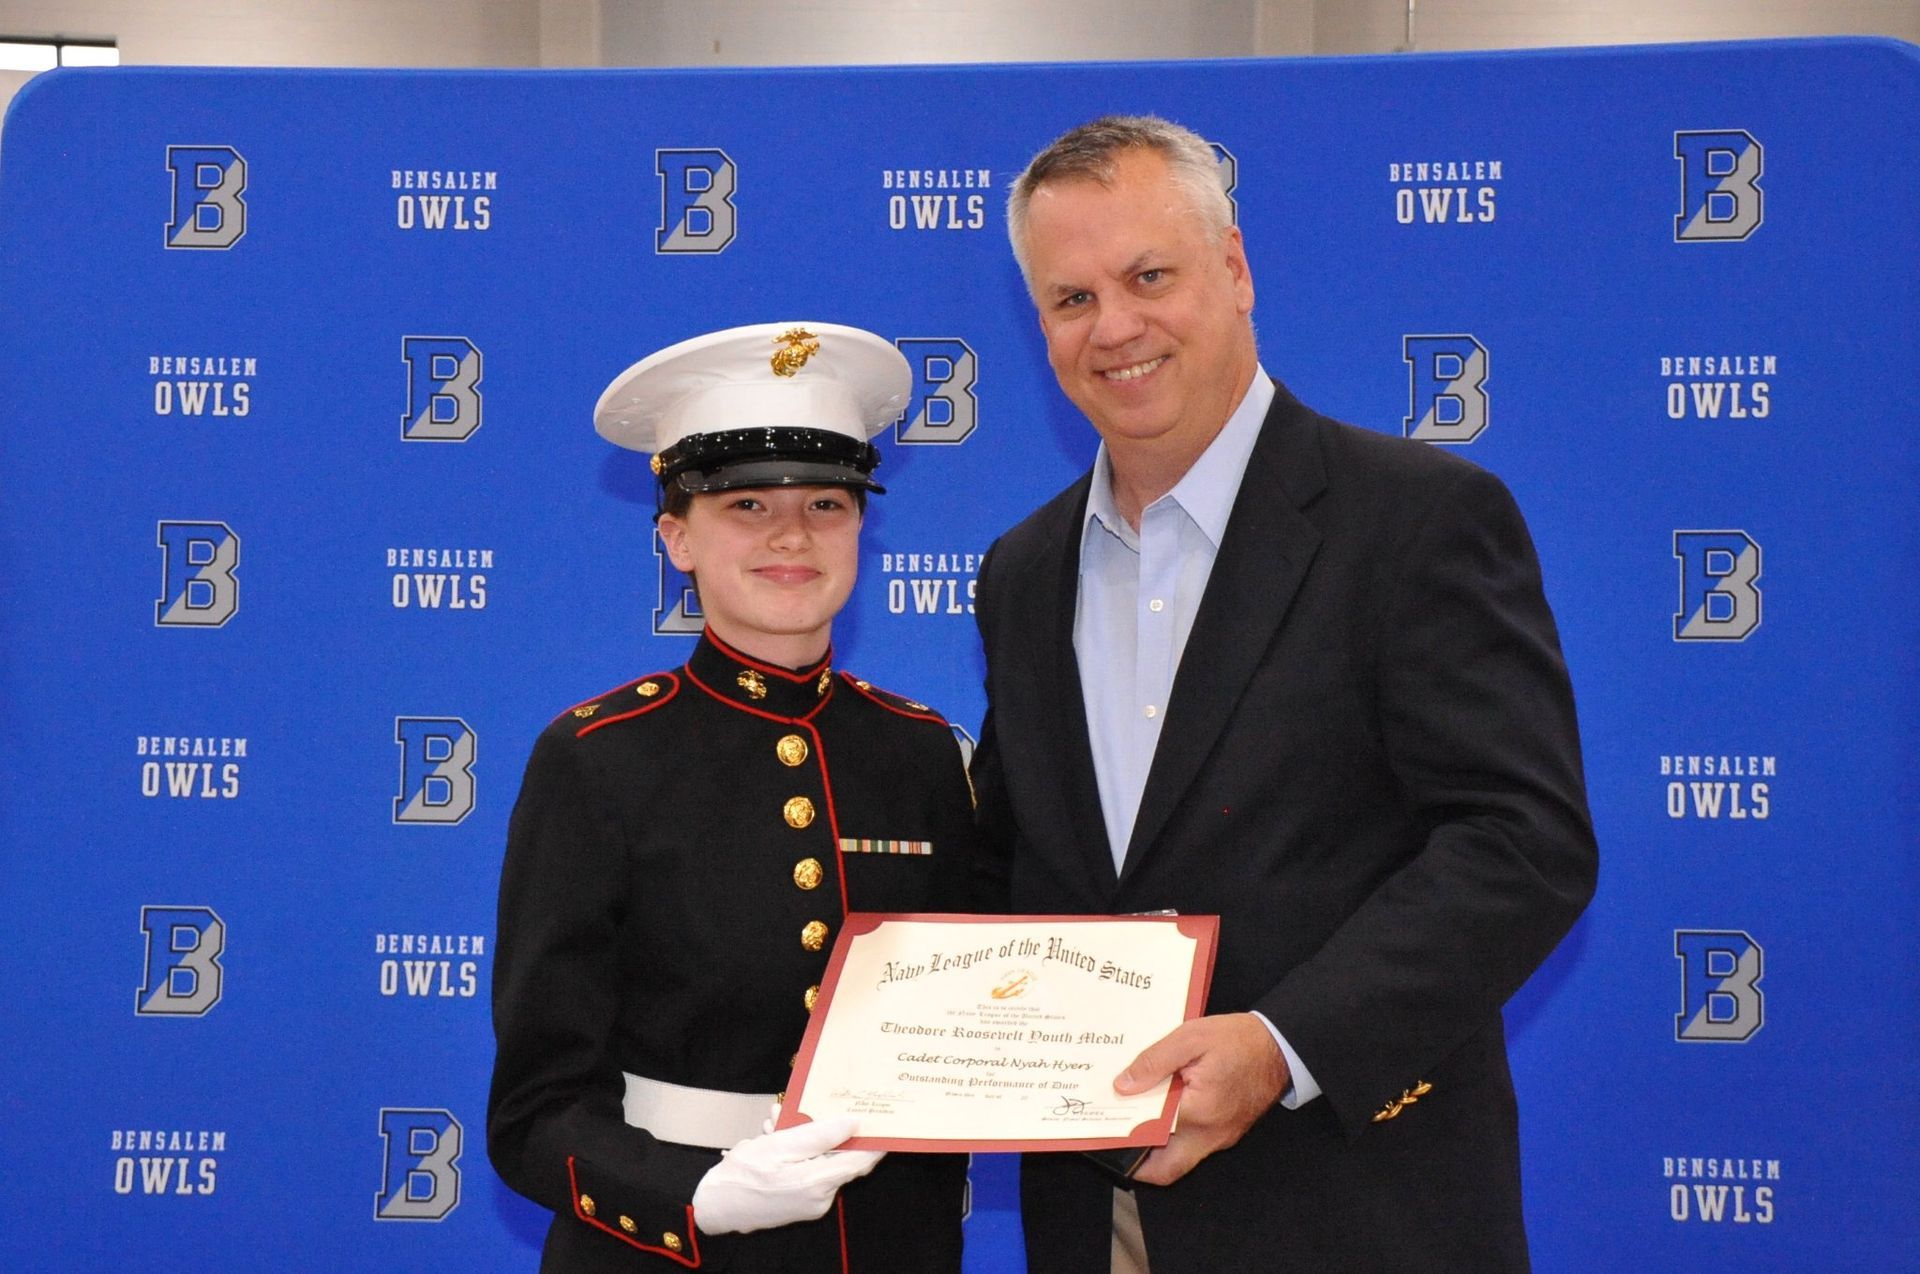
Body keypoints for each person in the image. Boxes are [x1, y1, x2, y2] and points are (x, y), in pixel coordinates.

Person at [970, 116, 1599, 1272]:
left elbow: (1523, 843)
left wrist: (1280, 1044)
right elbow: (1016, 866)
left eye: (1148, 277)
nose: (1114, 327)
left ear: (1235, 268)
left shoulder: (1417, 519)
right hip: (1094, 1218)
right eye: (1071, 299)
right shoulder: (1022, 570)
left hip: (1354, 1208)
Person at [489, 322, 975, 1271]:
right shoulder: (597, 757)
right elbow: (533, 1112)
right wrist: (695, 1195)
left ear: (862, 529)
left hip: (890, 1239)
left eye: (827, 503)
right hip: (667, 1247)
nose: (792, 534)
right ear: (676, 537)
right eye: (746, 504)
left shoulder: (921, 752)